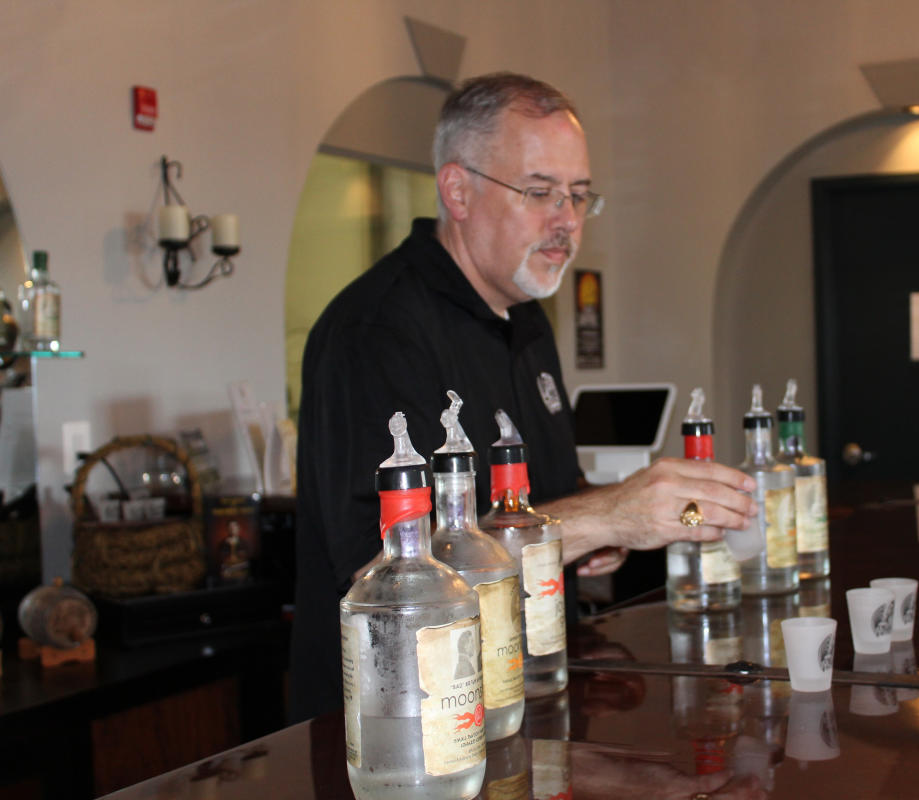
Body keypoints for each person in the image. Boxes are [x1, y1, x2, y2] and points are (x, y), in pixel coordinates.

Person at [289, 72, 756, 723]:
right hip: (401, 725)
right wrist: (604, 515)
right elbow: (385, 575)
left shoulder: (525, 317)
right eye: (539, 193)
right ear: (458, 190)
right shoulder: (378, 332)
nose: (565, 220)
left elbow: (539, 506)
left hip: (522, 692)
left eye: (579, 196)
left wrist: (593, 534)